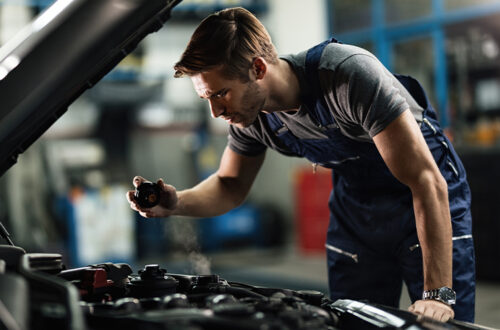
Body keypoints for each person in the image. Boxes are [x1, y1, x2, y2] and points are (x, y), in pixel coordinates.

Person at [126, 7, 475, 323]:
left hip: (425, 201)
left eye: (221, 94)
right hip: (357, 210)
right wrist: (176, 203)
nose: (216, 112)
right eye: (207, 98)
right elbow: (230, 184)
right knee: (350, 321)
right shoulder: (253, 117)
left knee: (437, 322)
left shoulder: (347, 77)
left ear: (258, 68)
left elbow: (425, 180)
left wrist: (437, 294)